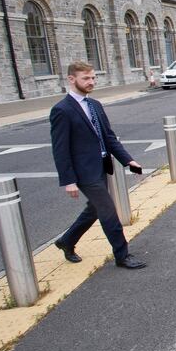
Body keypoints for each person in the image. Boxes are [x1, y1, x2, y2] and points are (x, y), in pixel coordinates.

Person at [50, 61, 146, 270]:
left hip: (102, 165)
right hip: (84, 172)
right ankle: (122, 255)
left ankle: (67, 241)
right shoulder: (62, 110)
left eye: (93, 77)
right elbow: (60, 149)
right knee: (108, 210)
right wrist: (69, 181)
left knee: (94, 209)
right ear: (71, 79)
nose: (92, 82)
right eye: (86, 78)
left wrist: (129, 161)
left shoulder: (94, 105)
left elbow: (109, 138)